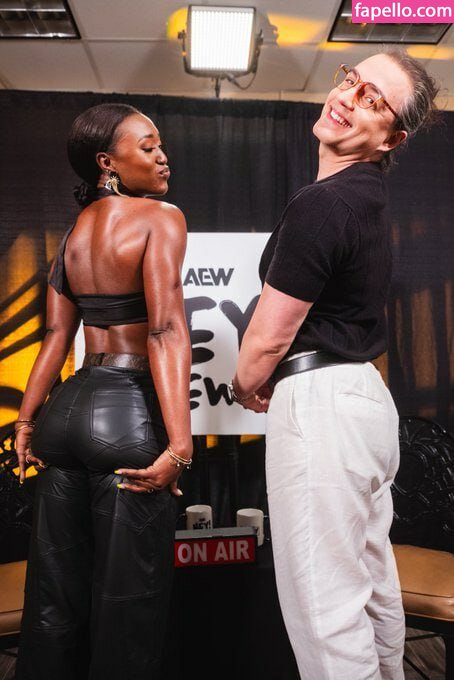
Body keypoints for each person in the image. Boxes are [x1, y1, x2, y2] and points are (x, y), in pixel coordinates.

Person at [231, 49, 439, 679]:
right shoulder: (364, 199)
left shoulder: (326, 204)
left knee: (325, 608)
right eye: (352, 80)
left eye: (373, 100)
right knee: (371, 587)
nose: (348, 97)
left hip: (323, 404)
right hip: (362, 401)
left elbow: (268, 339)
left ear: (391, 138)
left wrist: (245, 384)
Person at [14, 103, 192, 680]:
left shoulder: (74, 232)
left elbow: (54, 337)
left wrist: (25, 424)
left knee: (53, 598)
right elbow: (165, 331)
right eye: (147, 146)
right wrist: (180, 447)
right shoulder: (161, 217)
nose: (162, 156)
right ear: (106, 162)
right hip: (127, 414)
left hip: (65, 415)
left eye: (160, 145)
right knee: (128, 603)